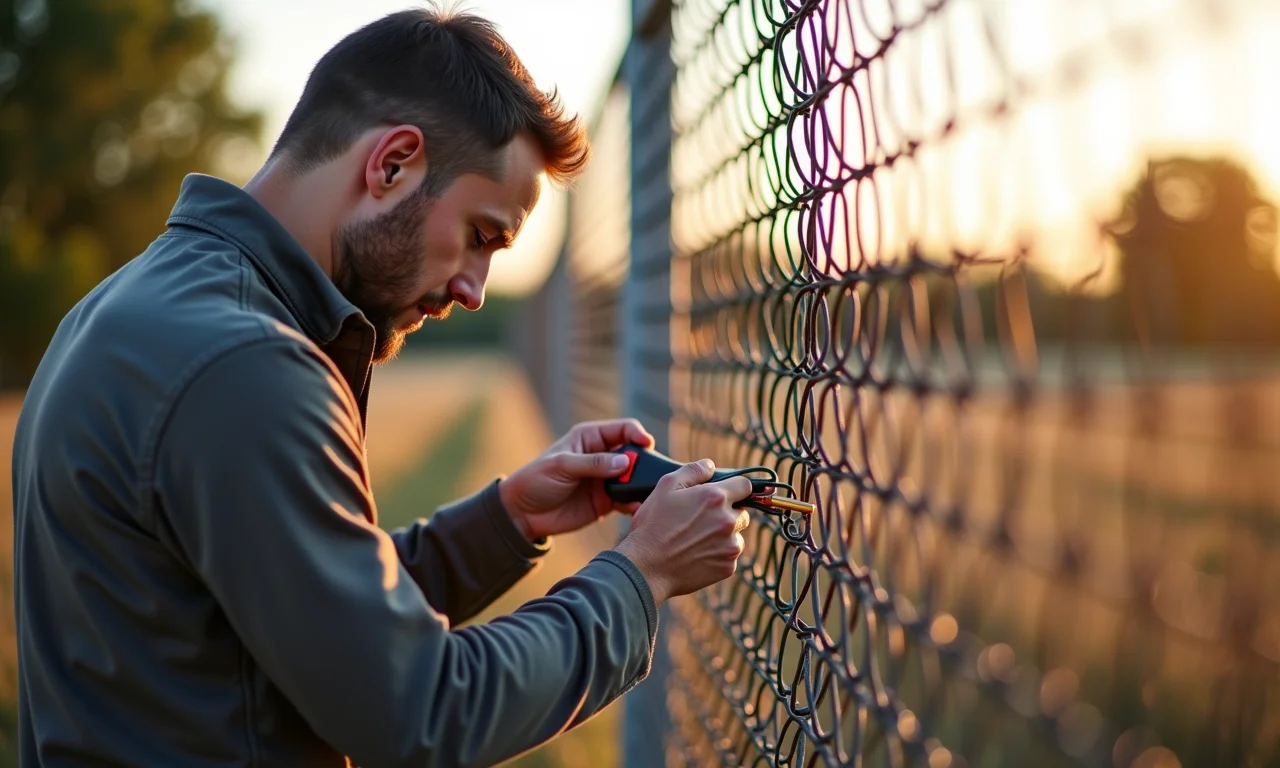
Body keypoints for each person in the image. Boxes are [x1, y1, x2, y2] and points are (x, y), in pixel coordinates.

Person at [9, 8, 753, 767]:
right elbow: (420, 711)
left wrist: (507, 520)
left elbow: (308, 621)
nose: (475, 290)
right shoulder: (245, 366)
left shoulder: (125, 310)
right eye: (482, 236)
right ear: (392, 164)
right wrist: (641, 575)